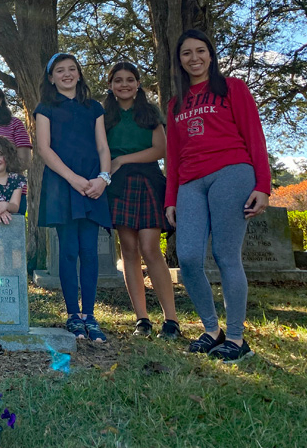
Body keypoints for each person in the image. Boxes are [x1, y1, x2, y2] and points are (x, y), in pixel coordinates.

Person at [165, 30, 270, 362]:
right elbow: (173, 153)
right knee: (189, 257)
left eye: (200, 51)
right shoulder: (175, 103)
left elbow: (254, 135)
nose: (194, 58)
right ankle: (212, 330)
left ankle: (237, 338)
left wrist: (263, 186)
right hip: (190, 183)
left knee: (226, 256)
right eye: (186, 53)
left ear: (210, 55)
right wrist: (171, 199)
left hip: (232, 172)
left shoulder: (232, 88)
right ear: (179, 61)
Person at [35, 53, 112, 343]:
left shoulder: (94, 108)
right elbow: (44, 148)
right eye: (59, 70)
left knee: (89, 252)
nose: (66, 74)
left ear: (79, 74)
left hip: (93, 184)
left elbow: (103, 147)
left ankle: (89, 316)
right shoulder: (46, 108)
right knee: (68, 251)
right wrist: (73, 179)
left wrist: (102, 179)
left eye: (71, 69)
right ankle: (72, 315)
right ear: (51, 78)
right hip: (62, 184)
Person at [103, 62, 179, 339]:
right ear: (110, 85)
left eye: (130, 80)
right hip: (118, 186)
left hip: (146, 181)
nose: (124, 84)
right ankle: (142, 319)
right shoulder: (104, 115)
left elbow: (160, 149)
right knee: (129, 249)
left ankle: (171, 320)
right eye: (118, 80)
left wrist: (122, 158)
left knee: (150, 247)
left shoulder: (149, 112)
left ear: (138, 84)